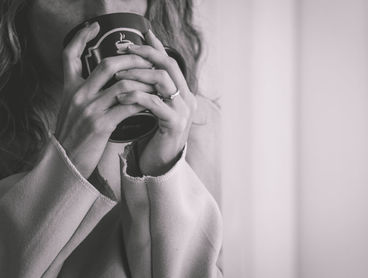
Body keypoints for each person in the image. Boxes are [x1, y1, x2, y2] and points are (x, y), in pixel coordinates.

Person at [0, 0, 223, 277]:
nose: (103, 11)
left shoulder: (195, 123)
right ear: (17, 10)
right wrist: (67, 164)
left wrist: (164, 174)